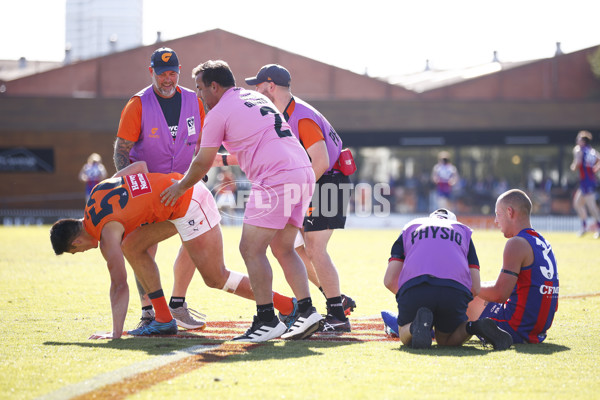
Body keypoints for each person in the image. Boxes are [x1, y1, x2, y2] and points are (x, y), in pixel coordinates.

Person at [160, 60, 323, 342]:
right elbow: (258, 140)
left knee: (250, 248)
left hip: (275, 177)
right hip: (302, 172)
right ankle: (307, 311)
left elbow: (201, 162)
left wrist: (180, 187)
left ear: (214, 86)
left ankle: (267, 319)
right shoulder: (255, 97)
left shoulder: (218, 113)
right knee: (284, 248)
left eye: (200, 88)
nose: (198, 95)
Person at [50, 161, 297, 339]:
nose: (83, 253)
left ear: (76, 243)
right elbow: (141, 167)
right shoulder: (97, 191)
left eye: (77, 252)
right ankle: (164, 319)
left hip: (189, 203)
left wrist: (115, 334)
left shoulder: (105, 236)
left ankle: (287, 305)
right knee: (132, 246)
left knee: (216, 277)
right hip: (178, 196)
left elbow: (119, 284)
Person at [244, 64, 355, 333]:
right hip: (319, 181)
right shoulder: (285, 112)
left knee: (315, 247)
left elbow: (321, 161)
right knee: (293, 249)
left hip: (328, 181)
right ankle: (335, 298)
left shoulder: (300, 116)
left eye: (258, 86)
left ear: (270, 87)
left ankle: (337, 314)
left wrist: (295, 193)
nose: (255, 92)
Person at [113, 47, 206, 330]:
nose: (168, 79)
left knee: (196, 242)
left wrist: (198, 175)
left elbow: (203, 141)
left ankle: (177, 304)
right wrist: (132, 187)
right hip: (149, 191)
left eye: (173, 73)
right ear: (151, 71)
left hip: (185, 186)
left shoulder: (194, 100)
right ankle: (150, 313)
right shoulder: (138, 103)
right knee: (143, 249)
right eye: (162, 73)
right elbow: (121, 151)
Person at [381, 208, 513, 350]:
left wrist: (409, 296)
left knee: (403, 333)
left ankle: (416, 326)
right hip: (453, 290)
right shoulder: (463, 231)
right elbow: (475, 287)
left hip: (416, 287)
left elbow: (389, 280)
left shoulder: (411, 226)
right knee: (447, 340)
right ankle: (474, 327)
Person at [467, 189, 559, 344]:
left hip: (515, 327)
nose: (496, 221)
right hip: (537, 330)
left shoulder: (516, 243)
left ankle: (437, 332)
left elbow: (499, 294)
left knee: (464, 296)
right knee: (480, 291)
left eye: (498, 214)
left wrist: (465, 286)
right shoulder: (543, 243)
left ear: (510, 212)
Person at [570, 130, 600, 238]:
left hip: (586, 182)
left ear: (583, 141)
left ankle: (598, 227)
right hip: (587, 182)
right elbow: (599, 159)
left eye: (579, 138)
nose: (577, 140)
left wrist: (573, 167)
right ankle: (584, 227)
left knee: (592, 206)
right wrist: (594, 169)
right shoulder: (591, 151)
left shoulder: (578, 150)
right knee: (578, 203)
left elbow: (577, 164)